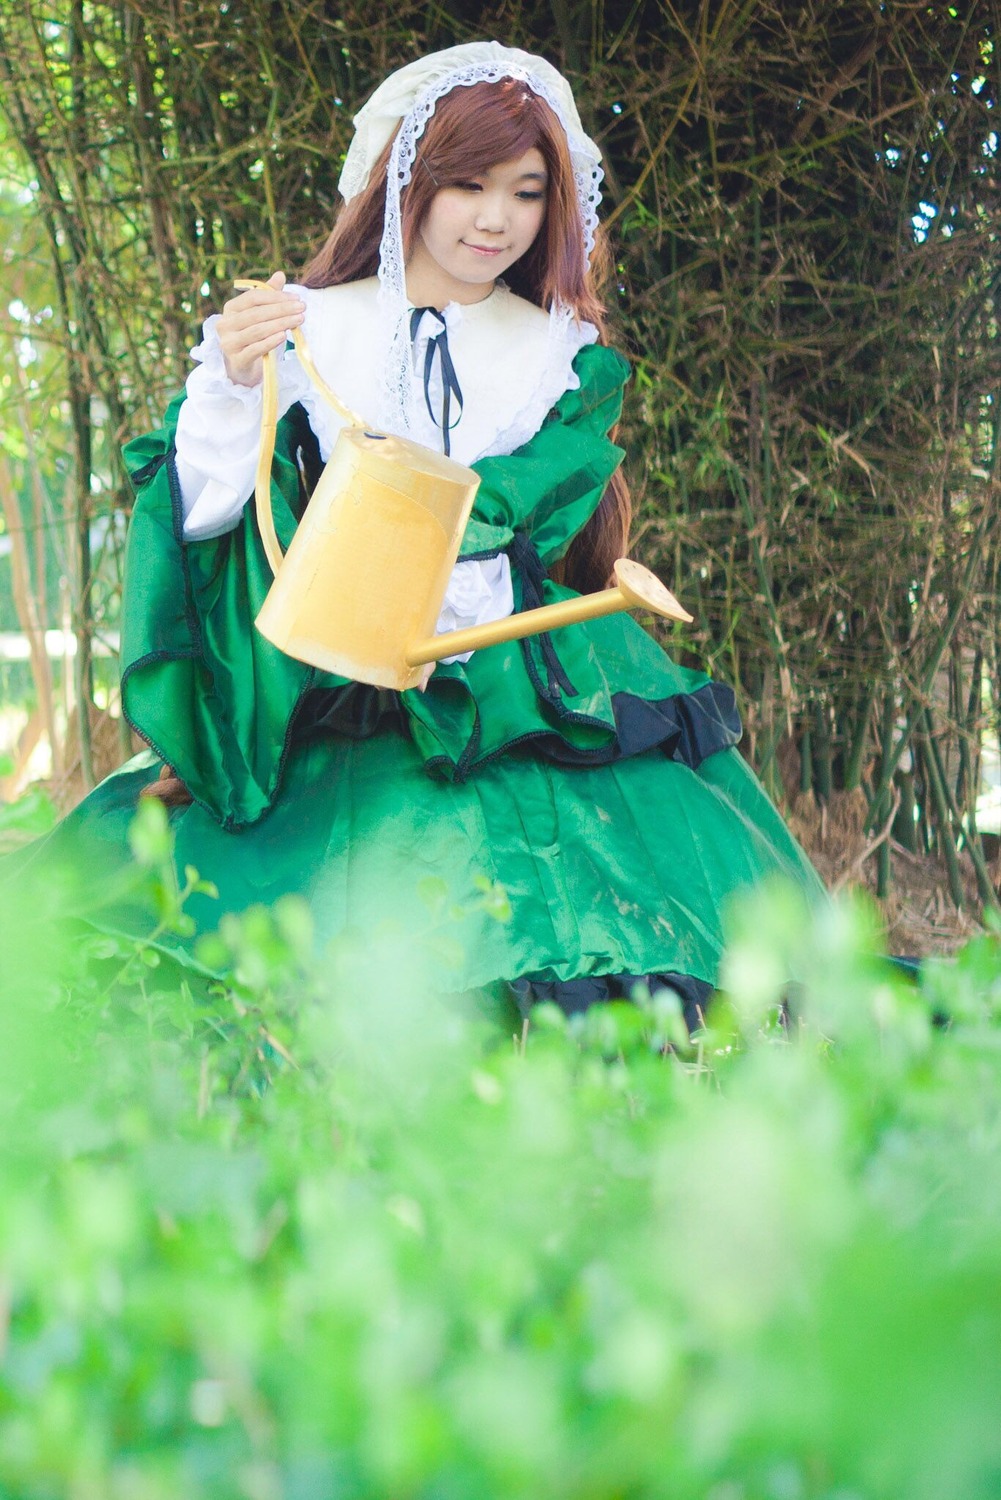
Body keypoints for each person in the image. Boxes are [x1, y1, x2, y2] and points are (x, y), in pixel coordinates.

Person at [7, 41, 824, 1021]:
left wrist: (460, 550)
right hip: (342, 658)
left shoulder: (554, 350)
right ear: (406, 182)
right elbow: (216, 506)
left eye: (525, 193)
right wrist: (228, 382)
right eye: (466, 183)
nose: (495, 219)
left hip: (514, 659)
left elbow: (527, 501)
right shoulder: (308, 324)